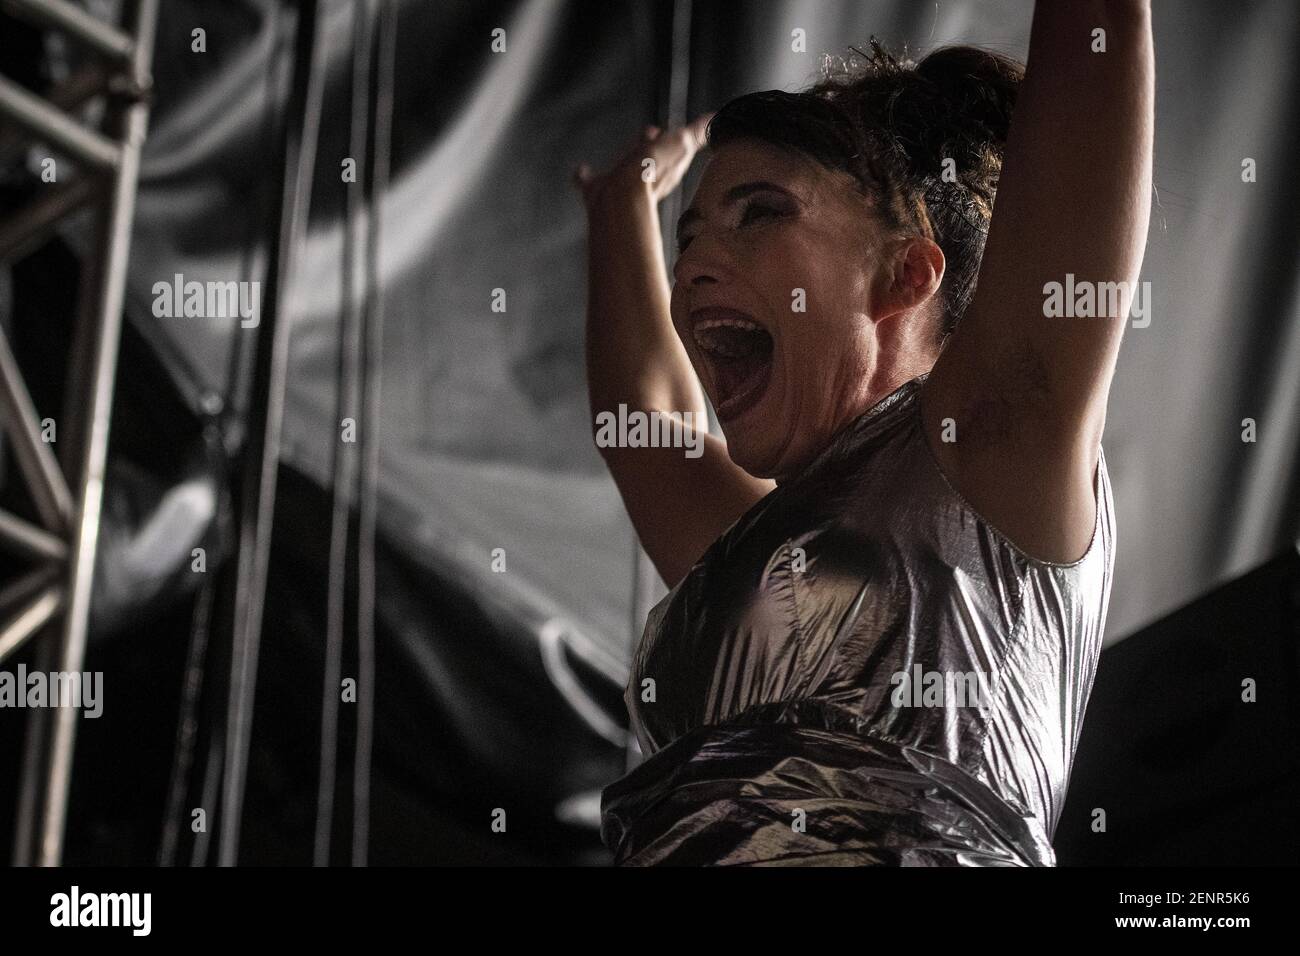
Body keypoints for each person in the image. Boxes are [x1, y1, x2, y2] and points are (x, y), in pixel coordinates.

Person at [574, 1, 1153, 865]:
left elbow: (1091, 70)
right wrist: (623, 205)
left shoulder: (994, 445)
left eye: (759, 212)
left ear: (906, 272)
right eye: (687, 236)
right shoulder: (759, 562)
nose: (690, 265)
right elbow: (644, 426)